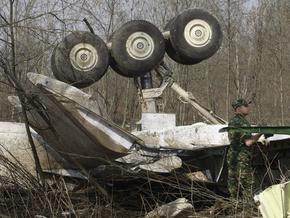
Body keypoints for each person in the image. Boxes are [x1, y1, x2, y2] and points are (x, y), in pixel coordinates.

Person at [227, 98, 262, 203]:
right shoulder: (242, 123)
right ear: (238, 108)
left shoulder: (232, 121)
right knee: (247, 184)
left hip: (232, 156)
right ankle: (247, 211)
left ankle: (234, 207)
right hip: (241, 158)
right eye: (246, 106)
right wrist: (261, 132)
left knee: (233, 185)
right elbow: (248, 142)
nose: (248, 108)